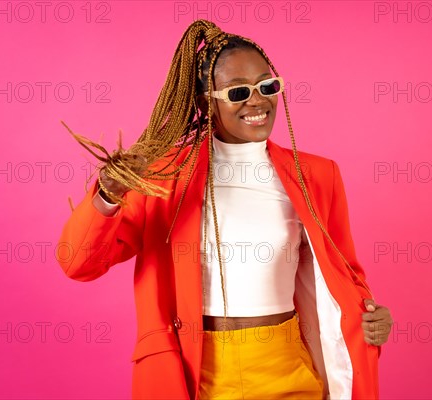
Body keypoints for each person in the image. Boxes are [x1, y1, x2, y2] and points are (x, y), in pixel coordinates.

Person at [57, 19, 393, 399]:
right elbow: (78, 263)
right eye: (237, 92)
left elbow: (344, 274)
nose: (257, 101)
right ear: (206, 101)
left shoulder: (317, 175)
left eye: (267, 86)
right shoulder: (163, 176)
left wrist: (372, 315)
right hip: (193, 369)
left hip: (285, 362)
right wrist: (108, 192)